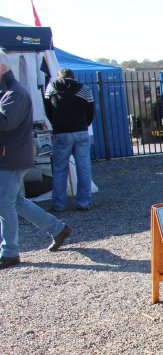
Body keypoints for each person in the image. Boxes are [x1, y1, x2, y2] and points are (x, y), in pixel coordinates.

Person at [0, 50, 71, 269]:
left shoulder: (15, 93)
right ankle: (58, 229)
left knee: (5, 204)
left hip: (10, 158)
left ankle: (10, 251)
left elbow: (5, 122)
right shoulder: (9, 91)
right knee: (16, 202)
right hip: (11, 157)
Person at [44, 67, 94, 211]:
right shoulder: (85, 89)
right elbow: (91, 111)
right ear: (74, 77)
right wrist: (84, 123)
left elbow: (48, 110)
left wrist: (56, 123)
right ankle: (84, 202)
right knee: (84, 167)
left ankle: (59, 204)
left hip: (61, 132)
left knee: (60, 168)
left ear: (59, 76)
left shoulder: (51, 88)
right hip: (81, 131)